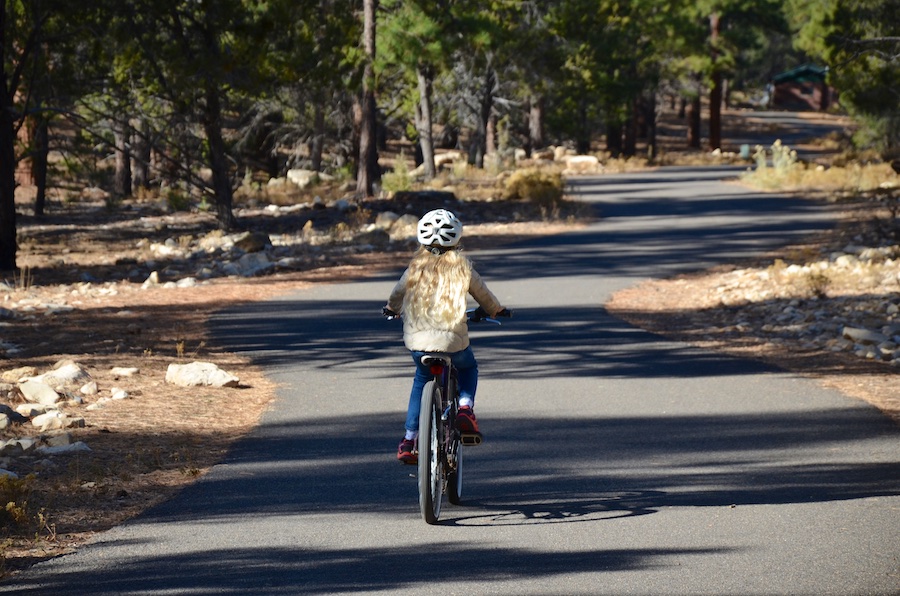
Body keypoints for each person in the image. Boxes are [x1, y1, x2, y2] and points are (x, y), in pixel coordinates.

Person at [384, 209, 509, 465]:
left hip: (419, 345)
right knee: (468, 367)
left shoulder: (414, 268)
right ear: (456, 239)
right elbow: (484, 296)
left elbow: (397, 295)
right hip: (453, 343)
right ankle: (465, 407)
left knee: (421, 380)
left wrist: (391, 309)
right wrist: (495, 310)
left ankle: (409, 439)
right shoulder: (462, 268)